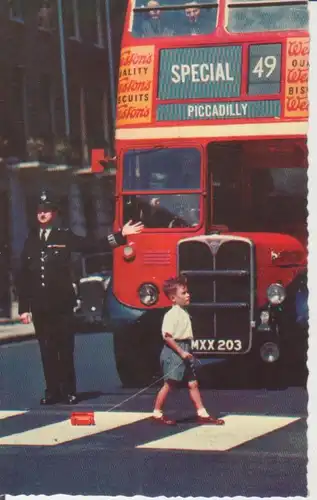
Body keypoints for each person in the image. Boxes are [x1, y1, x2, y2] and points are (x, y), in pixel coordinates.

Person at [18, 190, 144, 406]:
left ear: (55, 213)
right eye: (39, 211)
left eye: (46, 211)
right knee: (46, 350)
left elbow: (93, 245)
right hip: (40, 307)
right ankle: (52, 392)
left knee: (64, 348)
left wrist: (121, 235)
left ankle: (69, 391)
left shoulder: (64, 236)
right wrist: (24, 308)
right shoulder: (30, 240)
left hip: (62, 304)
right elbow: (25, 277)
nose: (42, 214)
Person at [152, 275, 225, 425]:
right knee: (170, 383)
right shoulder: (171, 315)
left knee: (193, 383)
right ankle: (157, 413)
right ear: (173, 298)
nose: (188, 295)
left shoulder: (184, 312)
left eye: (187, 292)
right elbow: (167, 337)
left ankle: (202, 413)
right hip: (174, 351)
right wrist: (181, 352)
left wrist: (187, 350)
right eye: (183, 293)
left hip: (184, 348)